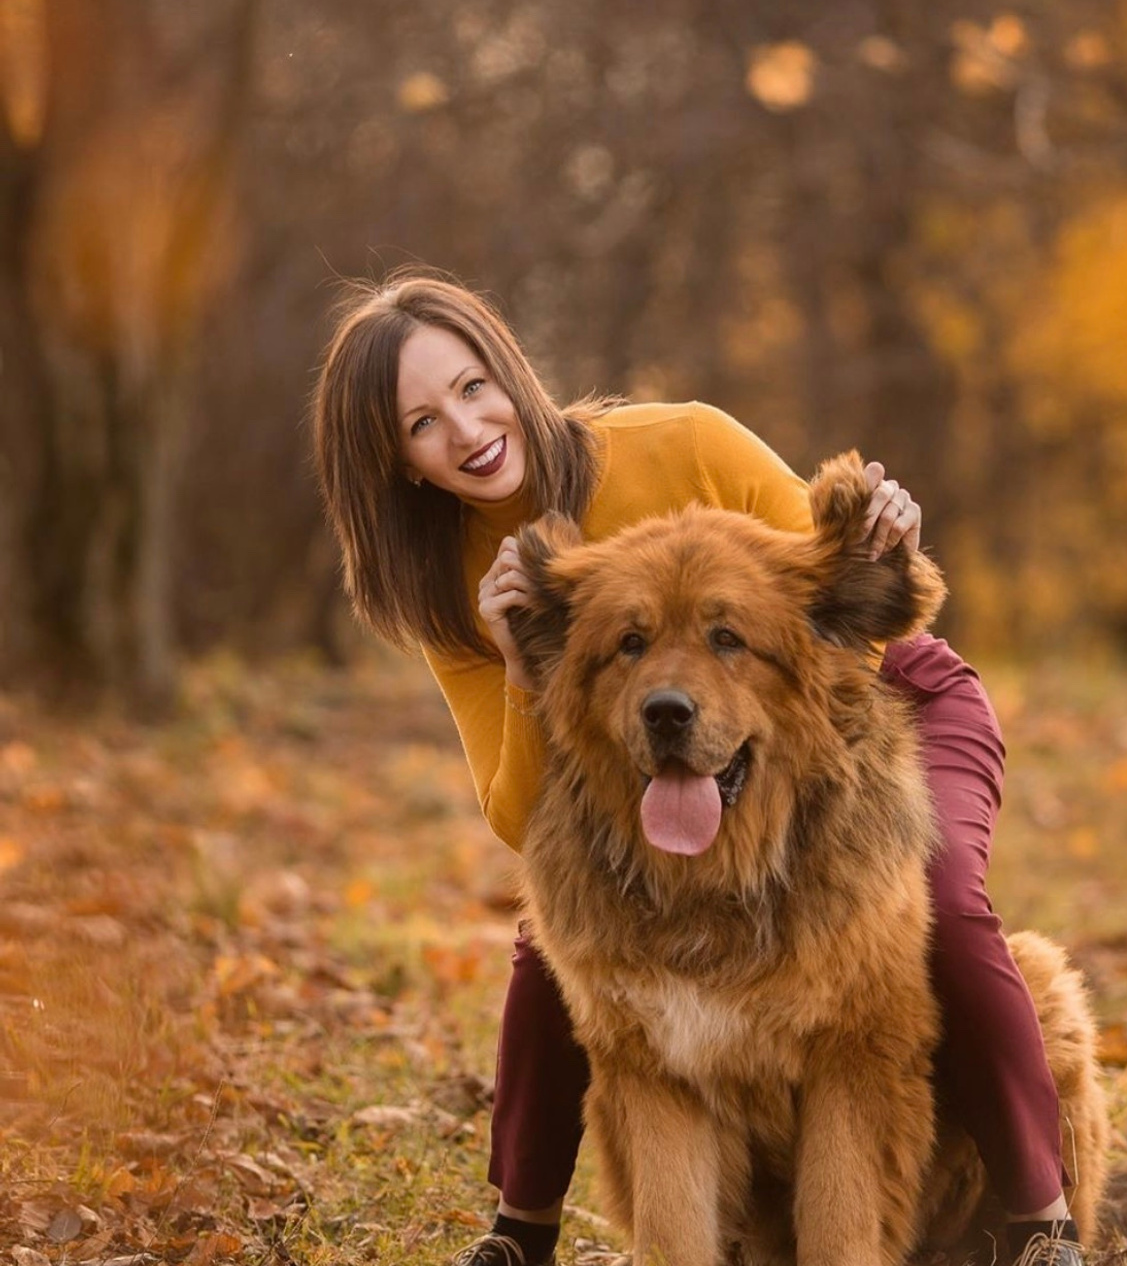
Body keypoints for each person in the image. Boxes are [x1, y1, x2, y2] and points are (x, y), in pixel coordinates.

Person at [311, 273, 1083, 1266]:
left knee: (937, 899)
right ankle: (520, 1229)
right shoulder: (453, 582)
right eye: (421, 422)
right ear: (398, 461)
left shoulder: (681, 441)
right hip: (660, 754)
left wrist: (886, 538)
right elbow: (520, 814)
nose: (463, 430)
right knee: (557, 931)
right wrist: (521, 665)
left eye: (470, 387)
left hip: (864, 699)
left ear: (509, 369)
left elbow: (830, 604)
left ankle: (1039, 1218)